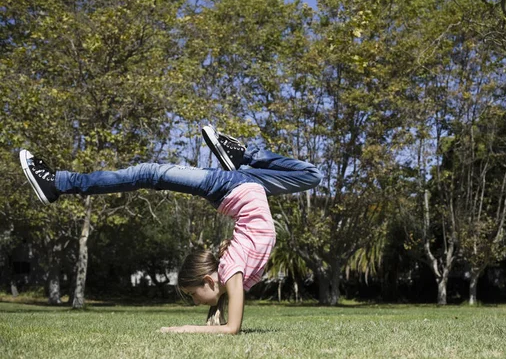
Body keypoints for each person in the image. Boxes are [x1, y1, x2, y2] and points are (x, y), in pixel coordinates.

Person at [19, 126, 322, 334]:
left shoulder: (233, 274)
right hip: (235, 185)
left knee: (312, 174)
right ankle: (58, 183)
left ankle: (241, 159)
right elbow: (233, 329)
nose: (193, 301)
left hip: (246, 188)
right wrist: (186, 327)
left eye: (191, 296)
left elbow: (224, 308)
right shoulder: (232, 272)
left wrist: (212, 314)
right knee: (147, 174)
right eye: (193, 295)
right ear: (208, 280)